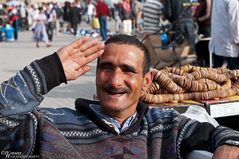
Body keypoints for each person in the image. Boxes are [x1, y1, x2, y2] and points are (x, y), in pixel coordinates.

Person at [0, 34, 239, 159]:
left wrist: (228, 144)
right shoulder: (50, 125)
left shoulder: (166, 126)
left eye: (128, 70)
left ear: (146, 81)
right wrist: (49, 71)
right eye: (106, 68)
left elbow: (223, 133)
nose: (115, 81)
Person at [209, 0, 239, 70]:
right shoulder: (232, 1)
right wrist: (237, 40)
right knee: (234, 73)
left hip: (217, 43)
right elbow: (235, 24)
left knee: (216, 74)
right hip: (229, 45)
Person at [194, 0, 212, 67]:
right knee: (199, 48)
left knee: (205, 49)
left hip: (206, 28)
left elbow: (208, 15)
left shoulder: (207, 1)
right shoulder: (200, 1)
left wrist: (197, 19)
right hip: (200, 28)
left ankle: (207, 66)